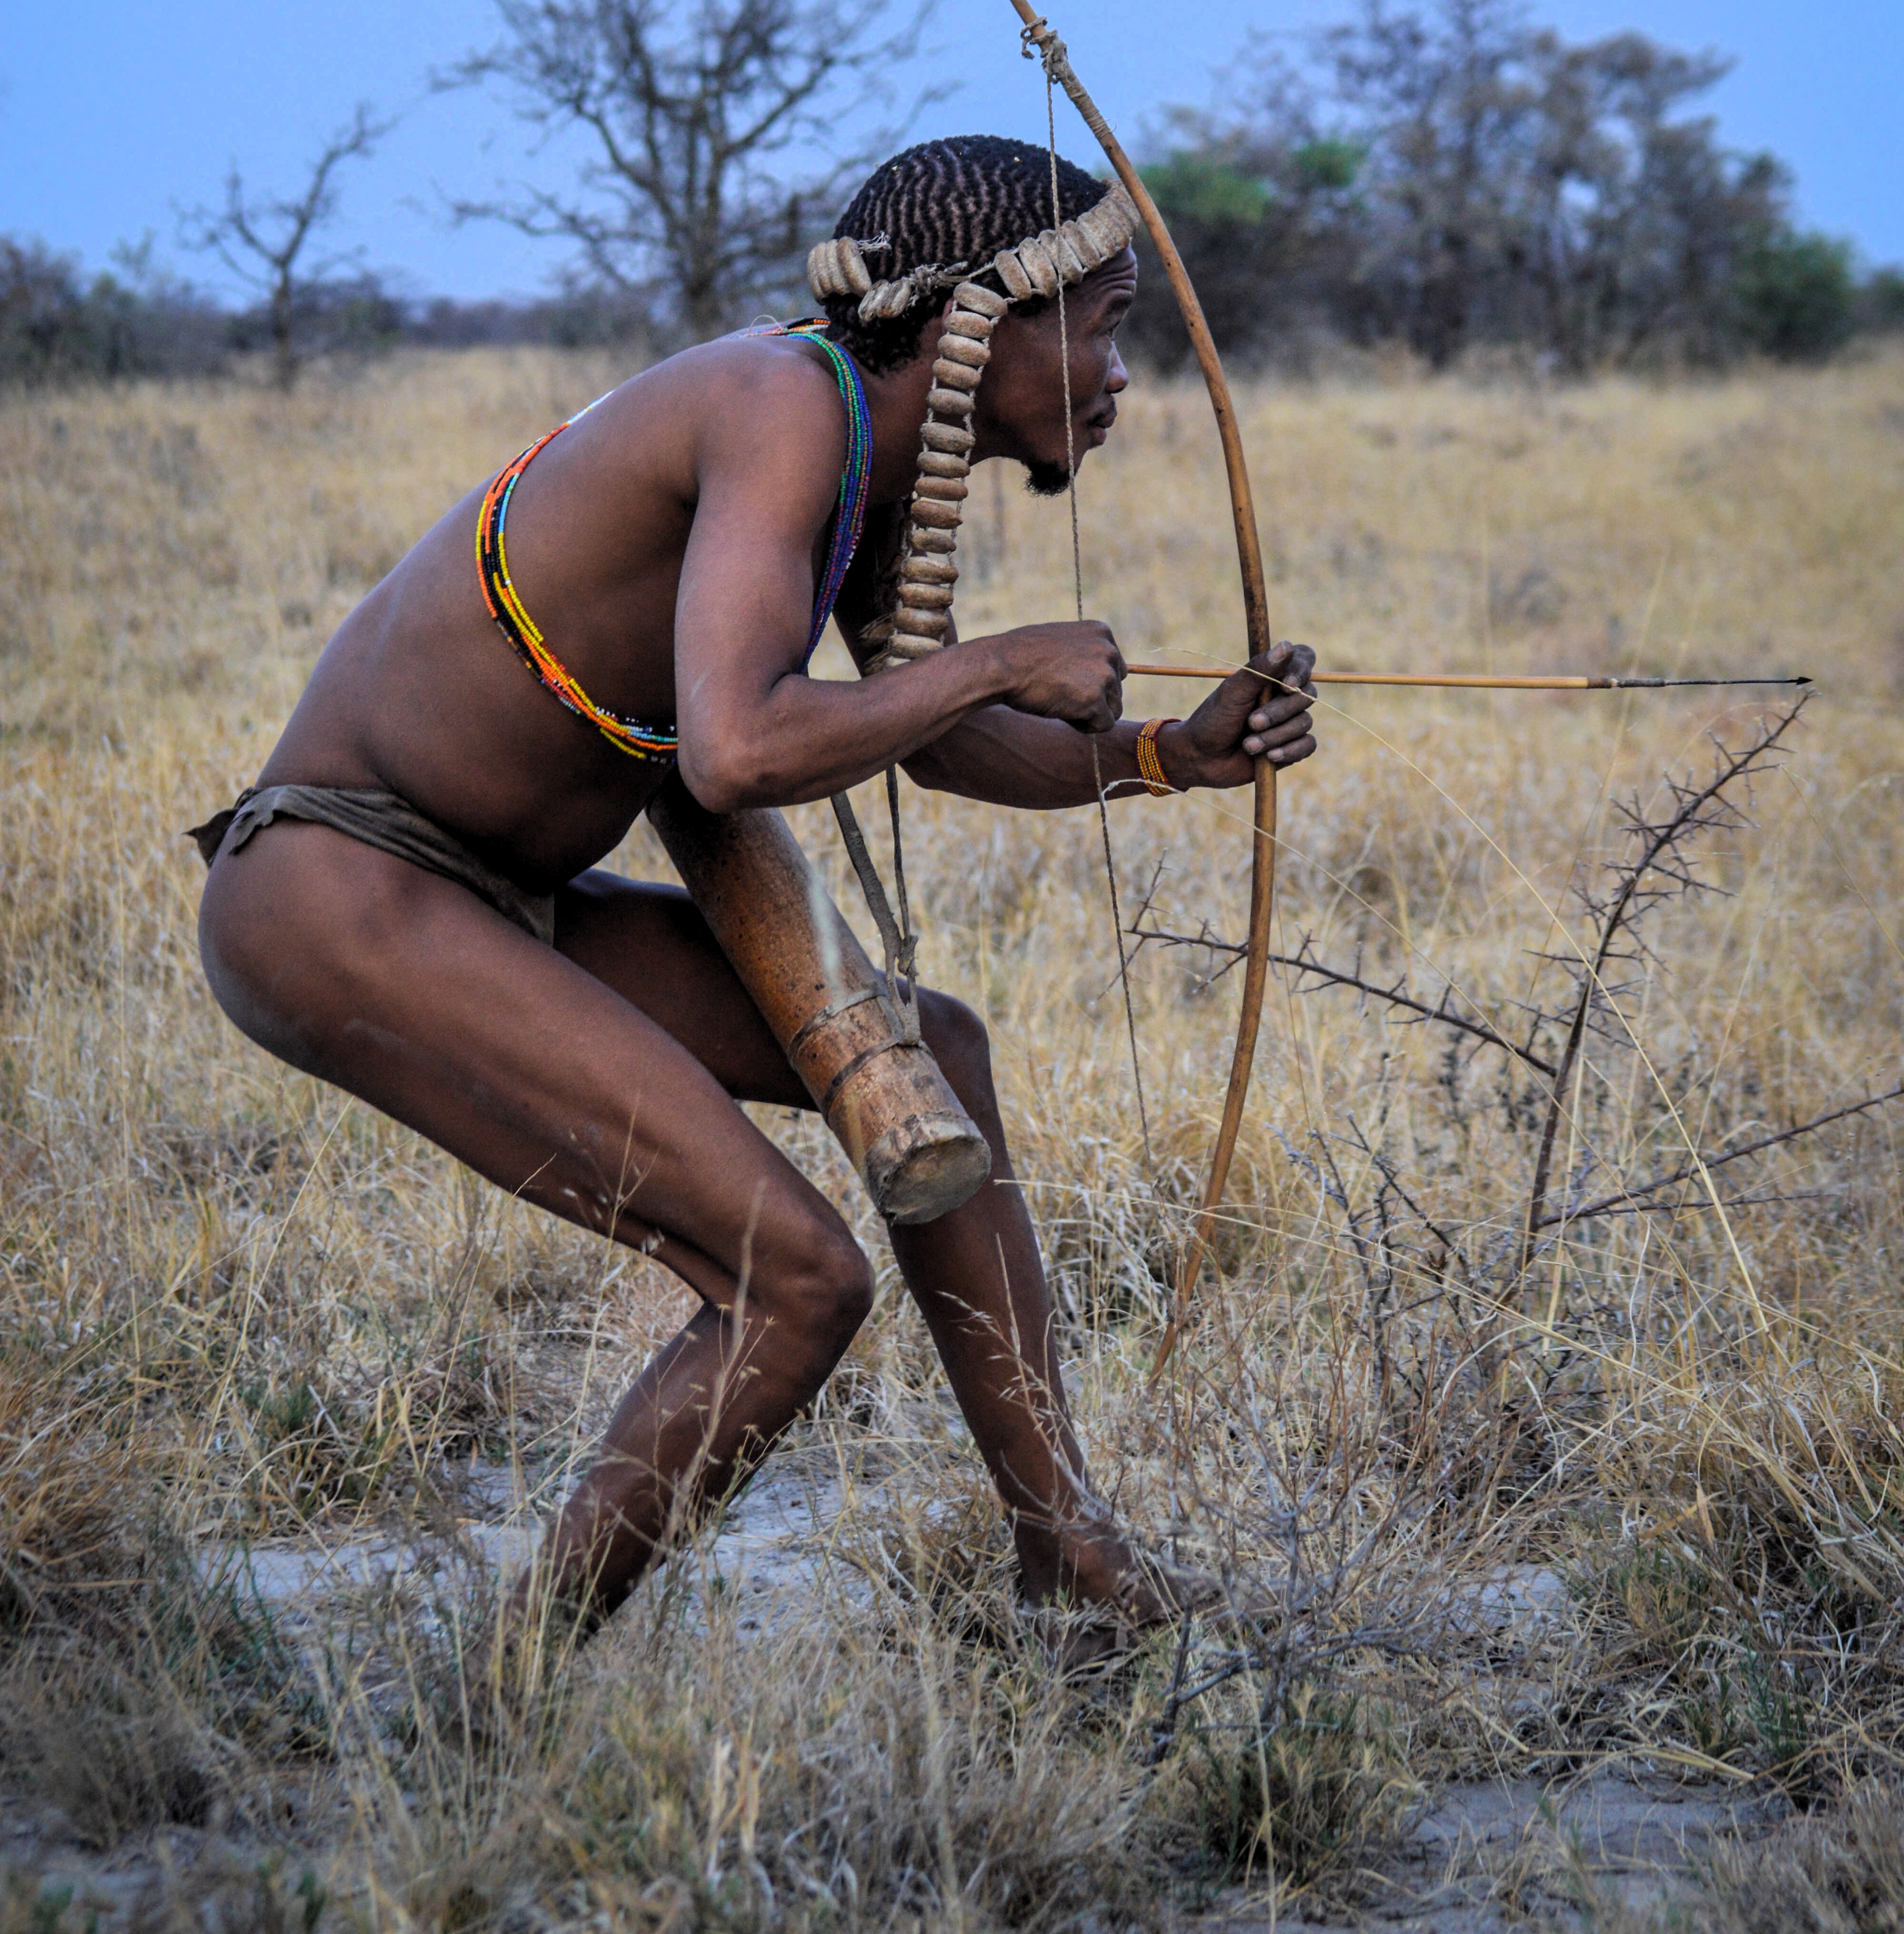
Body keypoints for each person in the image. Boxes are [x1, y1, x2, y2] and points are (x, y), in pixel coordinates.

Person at [194, 134, 1318, 1637]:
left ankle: (1070, 1552)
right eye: (1105, 326)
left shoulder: (853, 436)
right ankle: (500, 1706)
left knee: (949, 1056)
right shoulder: (786, 405)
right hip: (340, 889)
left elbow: (930, 742)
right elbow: (736, 748)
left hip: (488, 897)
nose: (1123, 376)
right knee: (797, 1278)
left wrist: (1173, 751)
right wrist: (1005, 657)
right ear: (980, 319)